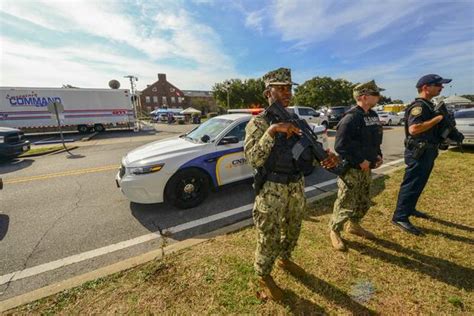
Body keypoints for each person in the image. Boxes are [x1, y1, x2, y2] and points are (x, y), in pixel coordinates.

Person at [244, 67, 338, 301]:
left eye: (289, 88)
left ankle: (285, 259)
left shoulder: (297, 119)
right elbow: (254, 159)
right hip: (272, 188)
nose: (287, 92)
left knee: (294, 228)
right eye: (281, 88)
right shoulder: (259, 122)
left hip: (296, 185)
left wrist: (326, 156)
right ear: (268, 92)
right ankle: (264, 276)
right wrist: (273, 131)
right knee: (269, 235)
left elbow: (308, 149)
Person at [391, 74, 453, 235]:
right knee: (411, 184)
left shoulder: (429, 105)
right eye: (438, 84)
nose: (441, 87)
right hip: (418, 152)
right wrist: (437, 119)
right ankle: (400, 216)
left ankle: (409, 209)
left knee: (419, 183)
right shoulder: (419, 106)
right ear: (426, 87)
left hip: (427, 151)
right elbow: (414, 129)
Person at [328, 80, 384, 251]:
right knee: (346, 202)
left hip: (367, 168)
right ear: (364, 97)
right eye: (375, 94)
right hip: (352, 169)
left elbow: (375, 140)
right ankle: (334, 230)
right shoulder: (350, 118)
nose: (379, 97)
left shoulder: (372, 115)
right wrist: (360, 161)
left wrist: (378, 155)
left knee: (364, 201)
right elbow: (340, 146)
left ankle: (354, 225)